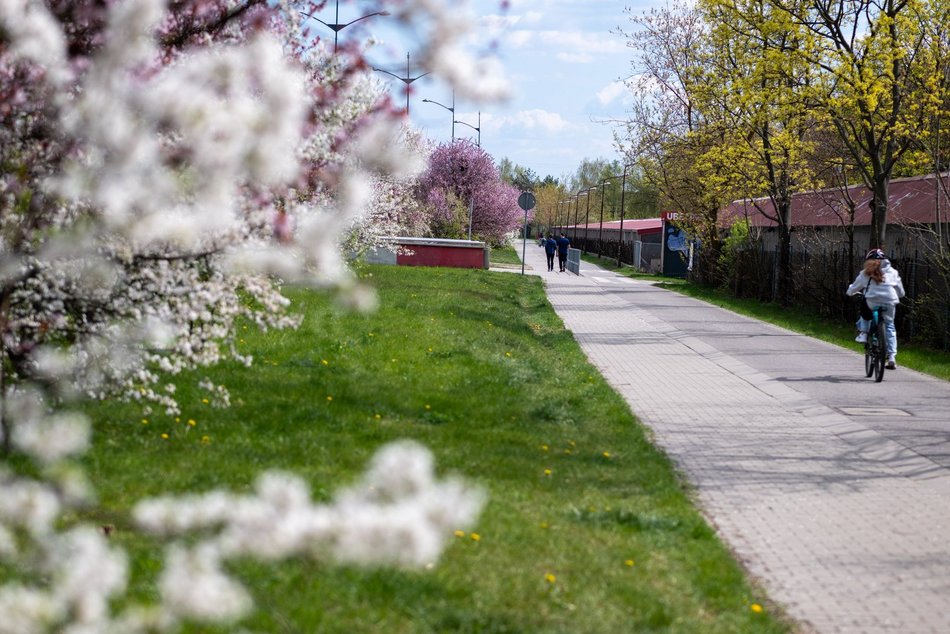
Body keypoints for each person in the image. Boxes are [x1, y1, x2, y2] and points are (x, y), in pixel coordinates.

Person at [846, 248, 905, 369]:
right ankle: (892, 357)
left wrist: (849, 291)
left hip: (872, 301)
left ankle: (864, 332)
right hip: (889, 302)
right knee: (889, 326)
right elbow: (901, 292)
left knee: (865, 307)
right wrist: (896, 296)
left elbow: (854, 288)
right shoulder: (893, 272)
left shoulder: (865, 272)